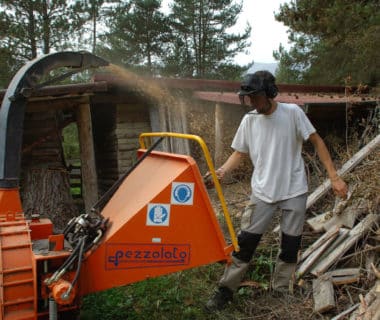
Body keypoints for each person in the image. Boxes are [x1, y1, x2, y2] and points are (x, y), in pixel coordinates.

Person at [206, 70, 348, 311]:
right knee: (244, 244)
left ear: (269, 93)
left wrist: (334, 177)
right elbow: (239, 152)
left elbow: (317, 141)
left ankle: (281, 289)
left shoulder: (292, 113)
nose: (251, 101)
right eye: (248, 97)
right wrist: (221, 173)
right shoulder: (249, 120)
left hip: (294, 190)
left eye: (255, 96)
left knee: (290, 245)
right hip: (262, 192)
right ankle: (225, 291)